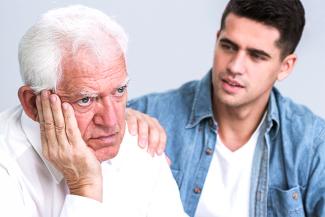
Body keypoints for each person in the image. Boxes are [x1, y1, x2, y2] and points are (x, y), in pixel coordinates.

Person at [128, 0, 325, 216]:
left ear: (285, 67)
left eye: (256, 56)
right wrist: (115, 123)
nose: (234, 66)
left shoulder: (313, 144)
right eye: (228, 46)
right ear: (216, 40)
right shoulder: (148, 116)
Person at [0, 5, 187, 217]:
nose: (111, 122)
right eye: (86, 100)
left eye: (119, 90)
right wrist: (84, 188)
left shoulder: (140, 142)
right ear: (33, 104)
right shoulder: (6, 169)